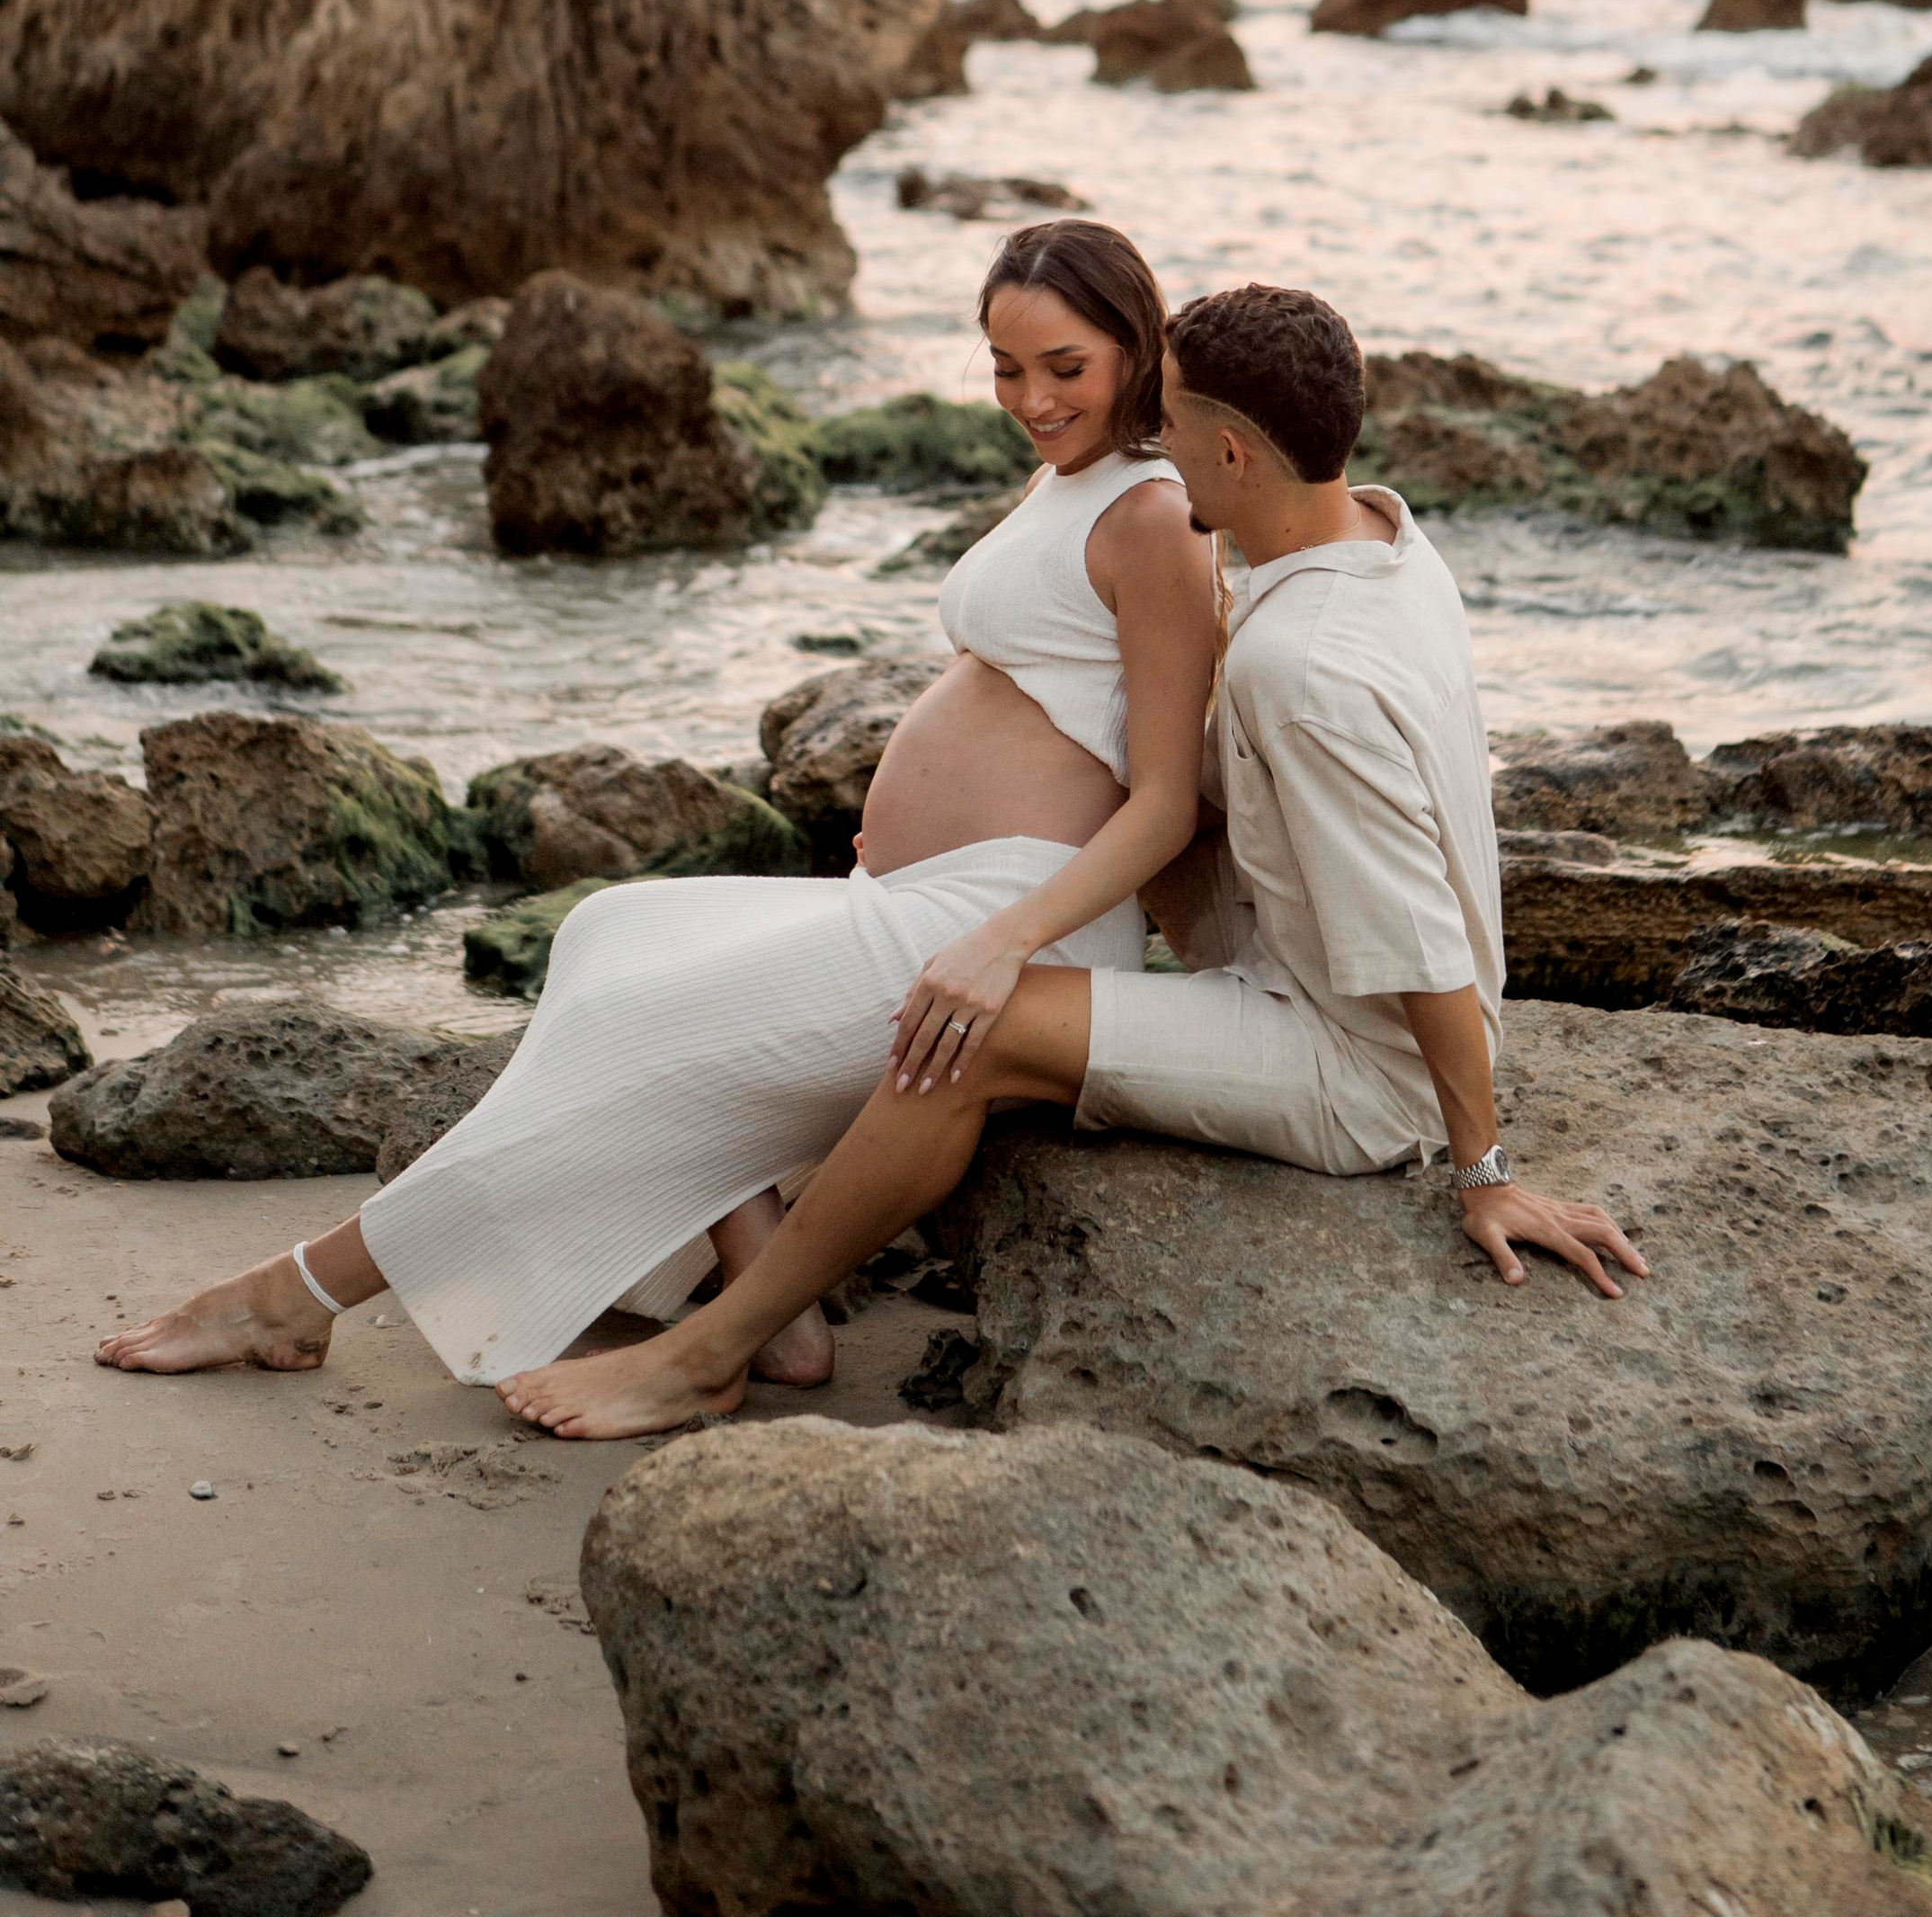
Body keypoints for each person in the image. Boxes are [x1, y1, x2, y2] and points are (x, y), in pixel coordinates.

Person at [493, 279, 1645, 1440]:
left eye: (1171, 417)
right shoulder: (1379, 536)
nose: (1153, 437)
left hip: (1350, 1066)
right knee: (954, 981)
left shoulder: (1302, 670)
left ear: (1234, 452)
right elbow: (1211, 794)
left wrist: (1484, 1171)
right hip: (1276, 966)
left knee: (970, 1028)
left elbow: (1421, 944)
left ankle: (707, 1356)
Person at [94, 220, 1215, 1393]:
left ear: (1138, 348)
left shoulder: (1153, 518)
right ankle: (773, 1300)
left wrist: (1005, 938)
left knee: (639, 1033)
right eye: (1006, 367)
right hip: (926, 892)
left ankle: (296, 1292)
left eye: (1065, 368)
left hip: (1007, 931)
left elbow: (1164, 805)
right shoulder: (1066, 478)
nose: (1031, 399)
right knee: (610, 931)